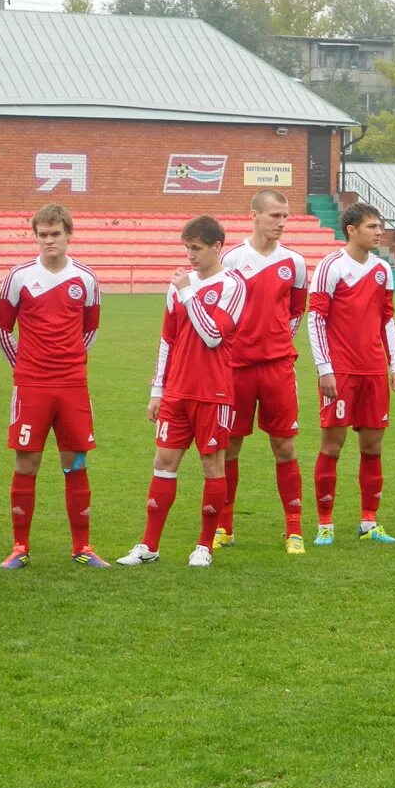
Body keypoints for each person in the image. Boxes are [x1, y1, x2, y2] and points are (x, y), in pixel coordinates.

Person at [117, 216, 245, 568]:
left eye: (197, 248)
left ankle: (204, 545)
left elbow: (213, 335)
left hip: (213, 393)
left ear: (217, 247)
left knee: (211, 464)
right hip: (176, 392)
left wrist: (189, 292)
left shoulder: (233, 285)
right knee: (163, 462)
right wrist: (157, 389)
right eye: (187, 247)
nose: (190, 255)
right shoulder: (178, 287)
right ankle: (149, 545)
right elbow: (167, 340)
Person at [0, 203, 108, 568]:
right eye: (42, 235)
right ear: (36, 237)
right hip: (31, 384)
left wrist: (68, 360)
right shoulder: (19, 277)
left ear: (68, 235)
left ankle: (82, 548)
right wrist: (26, 365)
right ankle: (20, 547)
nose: (48, 241)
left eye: (55, 234)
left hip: (72, 384)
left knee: (75, 461)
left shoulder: (86, 279)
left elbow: (90, 329)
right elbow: (2, 328)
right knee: (27, 461)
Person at [307, 202, 395, 546]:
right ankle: (324, 525)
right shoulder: (330, 266)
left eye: (380, 226)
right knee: (332, 447)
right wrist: (325, 369)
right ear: (352, 230)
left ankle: (369, 523)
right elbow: (316, 319)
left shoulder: (382, 270)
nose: (379, 232)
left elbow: (387, 319)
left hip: (373, 371)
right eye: (372, 226)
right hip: (341, 372)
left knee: (373, 447)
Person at [217, 190, 308, 554]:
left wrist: (276, 344)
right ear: (253, 215)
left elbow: (296, 311)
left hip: (277, 368)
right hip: (236, 368)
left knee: (284, 446)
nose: (281, 223)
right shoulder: (233, 259)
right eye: (274, 216)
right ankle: (224, 526)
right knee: (229, 446)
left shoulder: (295, 262)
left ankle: (294, 530)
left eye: (285, 216)